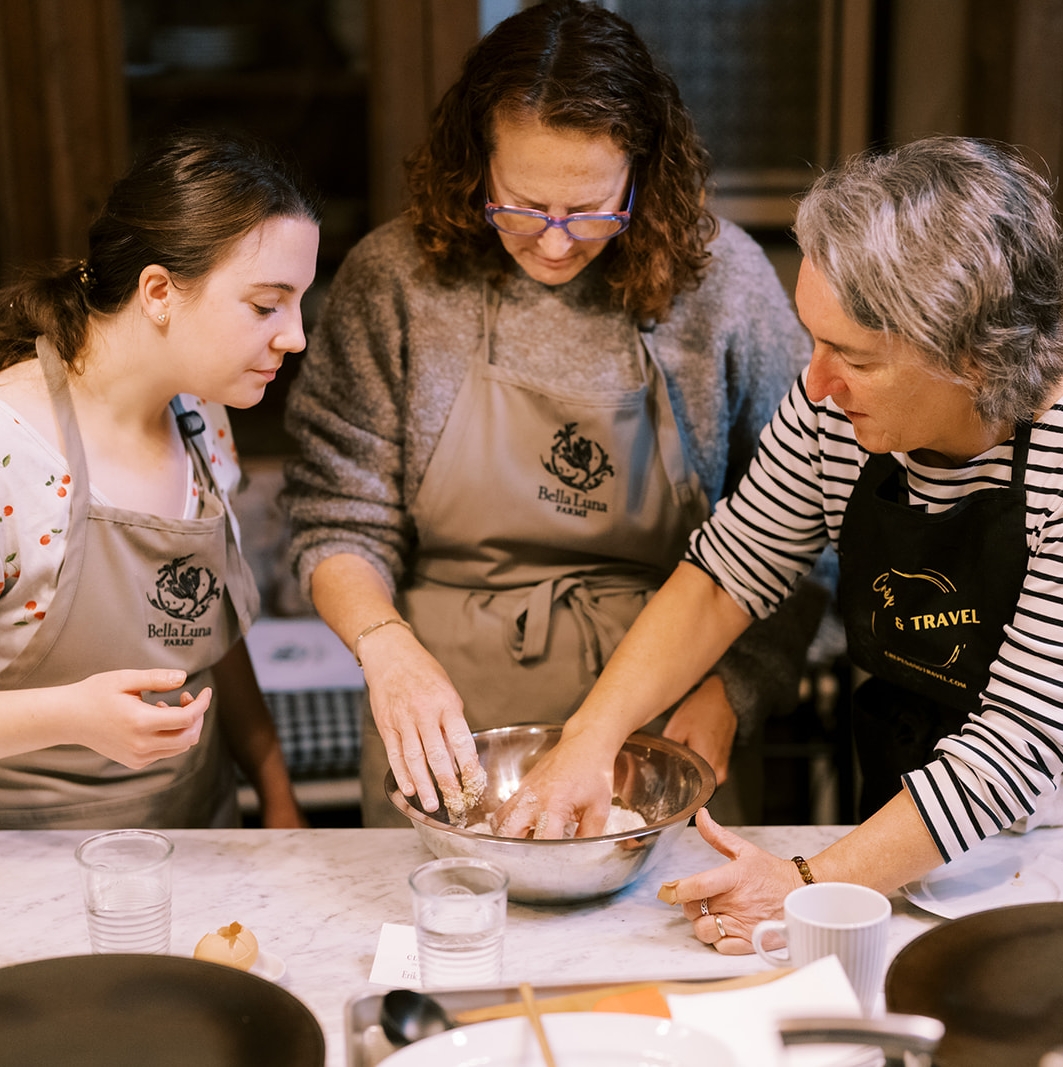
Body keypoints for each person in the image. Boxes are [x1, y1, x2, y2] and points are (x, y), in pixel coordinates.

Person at [492, 135, 1063, 951]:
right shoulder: (832, 407)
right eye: (815, 341)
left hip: (1045, 846)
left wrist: (803, 887)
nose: (817, 381)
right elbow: (726, 575)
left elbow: (1018, 741)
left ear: (969, 356)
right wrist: (588, 739)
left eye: (854, 357)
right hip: (905, 826)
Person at [283, 0, 826, 827]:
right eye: (524, 206)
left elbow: (803, 519)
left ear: (643, 177)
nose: (555, 242)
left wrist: (733, 687)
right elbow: (336, 513)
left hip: (662, 720)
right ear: (476, 163)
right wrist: (384, 647)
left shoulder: (724, 286)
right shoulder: (395, 279)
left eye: (591, 210)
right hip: (449, 721)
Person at [0, 129, 320, 828]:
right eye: (267, 305)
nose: (294, 335)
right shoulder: (12, 454)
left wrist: (276, 793)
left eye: (299, 303)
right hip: (27, 874)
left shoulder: (202, 418)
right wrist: (70, 716)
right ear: (158, 291)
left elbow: (207, 633)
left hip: (201, 840)